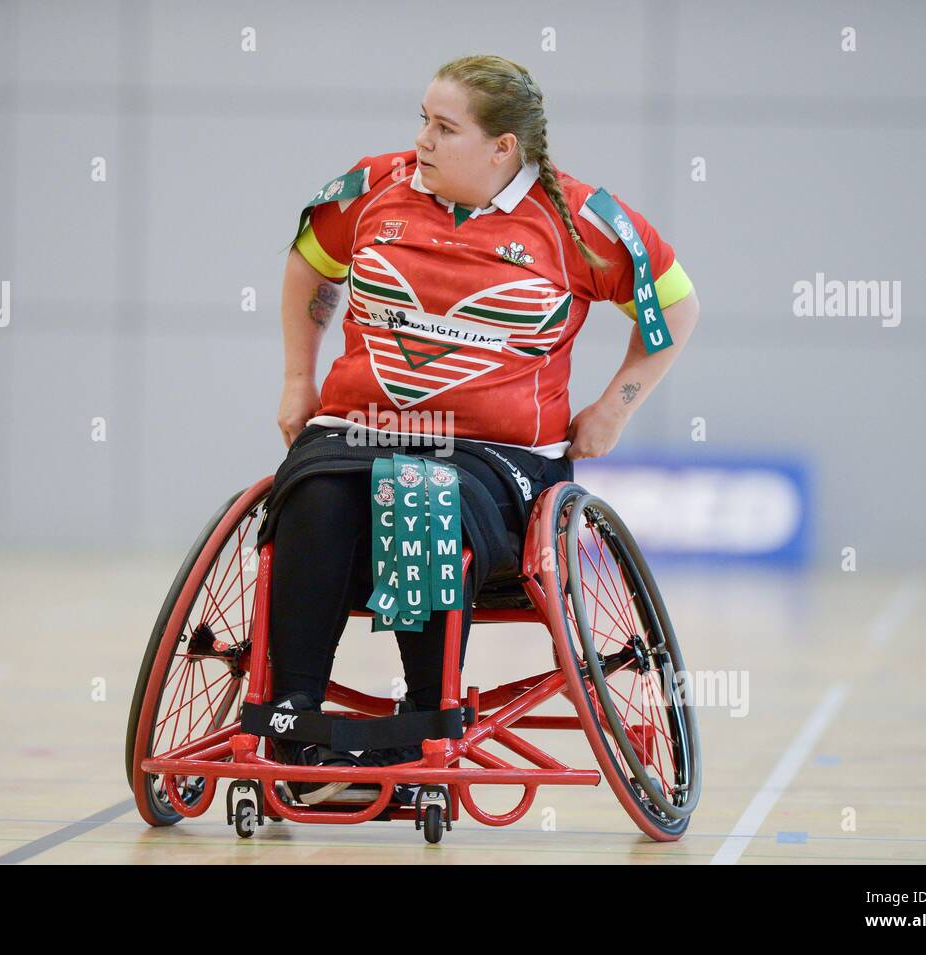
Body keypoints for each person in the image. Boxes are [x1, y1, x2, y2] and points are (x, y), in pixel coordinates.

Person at [260, 54, 700, 804]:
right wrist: (299, 378)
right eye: (421, 120)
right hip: (356, 429)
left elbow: (676, 311)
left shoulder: (582, 224)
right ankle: (292, 718)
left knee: (422, 491)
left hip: (496, 459)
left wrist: (613, 408)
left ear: (504, 148)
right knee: (311, 492)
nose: (422, 140)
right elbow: (310, 268)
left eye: (444, 126)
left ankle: (424, 723)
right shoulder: (373, 190)